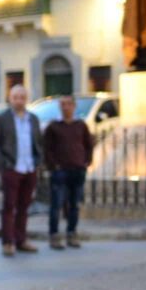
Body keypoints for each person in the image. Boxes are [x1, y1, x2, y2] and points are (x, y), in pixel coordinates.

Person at [0, 85, 43, 257]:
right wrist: (2, 165)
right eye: (15, 97)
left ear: (26, 99)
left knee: (24, 206)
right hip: (12, 167)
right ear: (10, 98)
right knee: (9, 206)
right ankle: (7, 241)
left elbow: (38, 142)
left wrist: (38, 161)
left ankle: (21, 239)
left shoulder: (33, 119)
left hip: (29, 167)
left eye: (22, 97)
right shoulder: (1, 119)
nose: (19, 100)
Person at [43, 95, 94, 250]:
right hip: (60, 171)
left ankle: (72, 233)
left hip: (77, 170)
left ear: (74, 106)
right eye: (63, 104)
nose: (66, 107)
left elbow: (88, 144)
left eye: (68, 104)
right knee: (56, 204)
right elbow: (47, 148)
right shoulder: (53, 127)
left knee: (74, 205)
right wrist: (53, 166)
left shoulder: (81, 125)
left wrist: (86, 161)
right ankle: (54, 235)